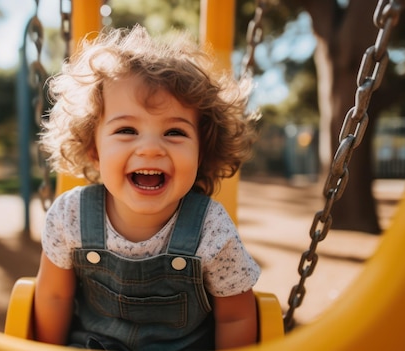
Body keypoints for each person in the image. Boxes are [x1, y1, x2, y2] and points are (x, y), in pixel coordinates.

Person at [34, 24, 261, 350]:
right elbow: (53, 296)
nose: (151, 148)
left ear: (202, 152)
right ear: (94, 151)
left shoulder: (210, 228)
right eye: (127, 129)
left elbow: (235, 316)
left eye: (175, 133)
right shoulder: (70, 216)